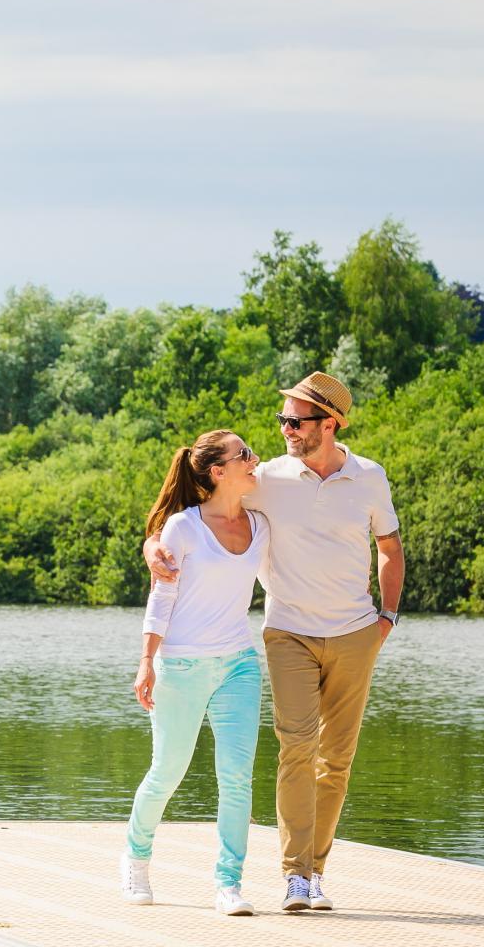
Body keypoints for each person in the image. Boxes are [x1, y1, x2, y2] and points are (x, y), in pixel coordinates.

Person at [144, 372, 402, 913]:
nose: (284, 428)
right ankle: (294, 878)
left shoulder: (370, 477)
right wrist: (152, 546)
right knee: (296, 748)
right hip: (288, 633)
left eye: (295, 420)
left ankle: (315, 869)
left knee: (337, 760)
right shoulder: (266, 477)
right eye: (282, 419)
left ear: (328, 424)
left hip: (357, 632)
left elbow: (390, 547)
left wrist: (387, 619)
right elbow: (196, 503)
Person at [122, 428, 269, 918]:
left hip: (239, 665)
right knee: (167, 772)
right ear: (217, 471)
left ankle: (229, 884)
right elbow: (161, 596)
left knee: (237, 778)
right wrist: (146, 660)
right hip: (180, 665)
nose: (254, 459)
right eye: (243, 454)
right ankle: (136, 861)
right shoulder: (183, 528)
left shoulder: (260, 524)